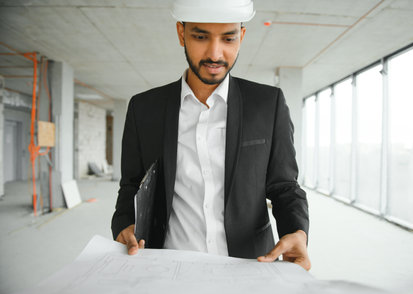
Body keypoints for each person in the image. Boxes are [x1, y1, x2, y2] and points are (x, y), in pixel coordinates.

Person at [111, 0, 311, 271]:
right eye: (200, 36)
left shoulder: (267, 104)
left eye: (228, 38)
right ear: (181, 33)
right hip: (168, 268)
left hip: (250, 266)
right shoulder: (144, 108)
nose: (215, 54)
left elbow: (284, 185)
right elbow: (131, 186)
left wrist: (297, 231)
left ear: (241, 36)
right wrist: (124, 223)